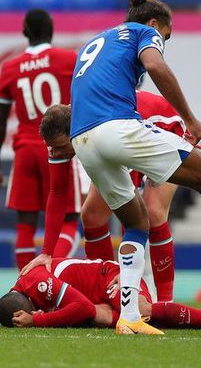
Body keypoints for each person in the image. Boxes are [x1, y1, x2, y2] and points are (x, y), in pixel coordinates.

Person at [65, 0, 201, 335]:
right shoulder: (143, 32)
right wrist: (190, 118)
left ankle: (128, 316)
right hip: (117, 129)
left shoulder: (98, 39)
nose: (163, 43)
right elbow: (156, 65)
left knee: (137, 220)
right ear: (155, 24)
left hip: (84, 141)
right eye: (166, 37)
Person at [26, 96, 183, 302]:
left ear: (74, 133)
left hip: (165, 131)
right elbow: (57, 193)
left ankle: (164, 302)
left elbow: (132, 212)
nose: (55, 153)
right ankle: (105, 290)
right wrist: (46, 252)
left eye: (60, 147)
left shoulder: (104, 134)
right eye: (51, 147)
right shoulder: (61, 139)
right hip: (127, 132)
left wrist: (127, 273)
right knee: (91, 215)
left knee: (152, 213)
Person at [0, 9, 80, 270]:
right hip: (61, 148)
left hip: (25, 148)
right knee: (69, 219)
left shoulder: (10, 67)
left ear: (25, 31)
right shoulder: (69, 59)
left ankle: (25, 285)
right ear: (52, 30)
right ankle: (49, 276)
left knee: (25, 223)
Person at [0, 257, 201, 331]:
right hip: (92, 299)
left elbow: (82, 307)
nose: (38, 311)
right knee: (120, 322)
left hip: (109, 277)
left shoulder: (38, 283)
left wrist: (37, 321)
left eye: (33, 310)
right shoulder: (21, 294)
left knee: (139, 311)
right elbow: (86, 308)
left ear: (28, 303)